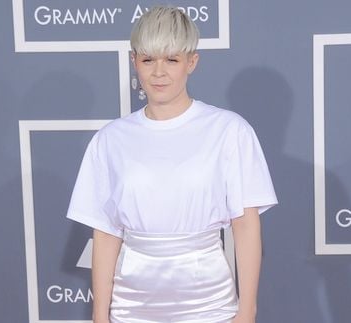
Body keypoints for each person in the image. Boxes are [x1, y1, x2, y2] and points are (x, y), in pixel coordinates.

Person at [66, 6, 277, 323]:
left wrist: (247, 310)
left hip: (210, 305)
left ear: (192, 62)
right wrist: (100, 314)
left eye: (172, 59)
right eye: (148, 59)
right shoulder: (110, 140)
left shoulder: (229, 131)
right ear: (134, 60)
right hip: (131, 308)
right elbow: (106, 232)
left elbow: (246, 225)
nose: (158, 72)